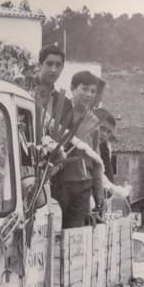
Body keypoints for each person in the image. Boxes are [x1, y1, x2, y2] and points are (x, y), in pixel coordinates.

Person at [50, 70, 106, 228]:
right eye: (84, 89)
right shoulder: (59, 114)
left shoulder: (94, 122)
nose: (88, 94)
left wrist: (99, 196)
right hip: (59, 184)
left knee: (74, 234)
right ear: (73, 88)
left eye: (92, 91)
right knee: (55, 231)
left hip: (82, 187)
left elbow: (97, 162)